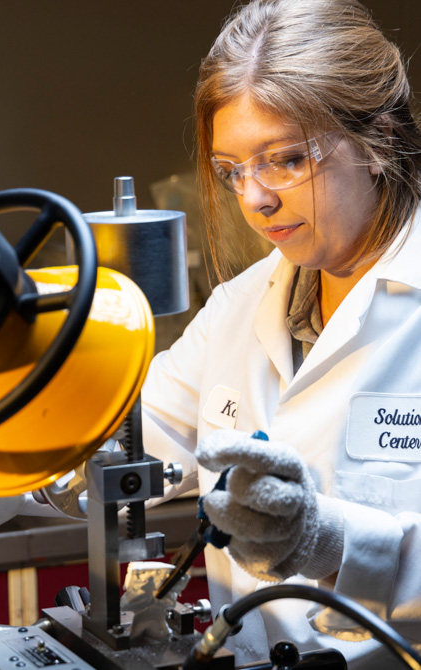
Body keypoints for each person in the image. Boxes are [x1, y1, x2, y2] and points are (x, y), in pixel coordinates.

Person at [140, 0, 421, 666]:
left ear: (378, 142)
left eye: (287, 160)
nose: (256, 198)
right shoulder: (240, 308)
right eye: (233, 170)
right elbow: (132, 440)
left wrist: (333, 541)